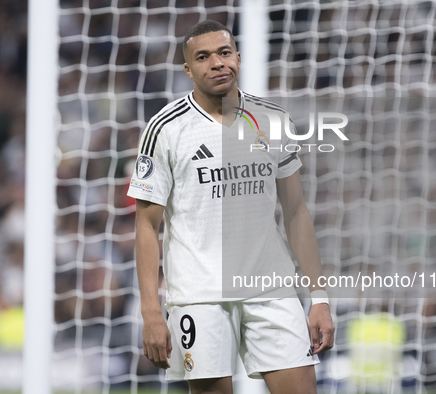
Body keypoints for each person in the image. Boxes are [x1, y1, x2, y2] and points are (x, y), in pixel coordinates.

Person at [128, 20, 334, 394]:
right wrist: (151, 312)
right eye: (203, 57)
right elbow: (146, 226)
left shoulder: (274, 121)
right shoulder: (165, 129)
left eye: (224, 53)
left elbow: (296, 212)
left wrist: (318, 298)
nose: (217, 63)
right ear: (188, 69)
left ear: (238, 57)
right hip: (199, 295)